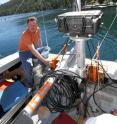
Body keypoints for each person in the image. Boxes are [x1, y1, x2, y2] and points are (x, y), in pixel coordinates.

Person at [19, 16, 49, 88]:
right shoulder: (25, 34)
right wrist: (44, 60)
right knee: (28, 67)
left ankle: (38, 66)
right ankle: (30, 83)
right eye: (30, 25)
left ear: (37, 25)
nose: (32, 27)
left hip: (34, 49)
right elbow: (32, 50)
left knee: (46, 48)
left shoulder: (38, 29)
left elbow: (39, 39)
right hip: (24, 52)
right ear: (27, 25)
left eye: (34, 25)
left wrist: (40, 49)